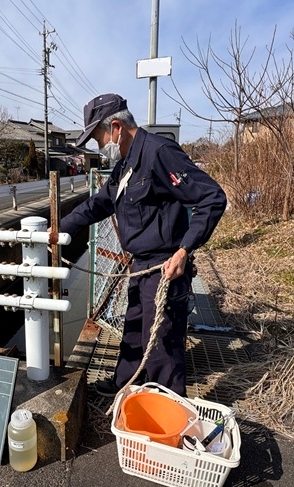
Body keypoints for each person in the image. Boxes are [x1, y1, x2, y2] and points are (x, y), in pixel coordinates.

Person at [54, 94, 227, 397]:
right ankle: (126, 385)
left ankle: (167, 409)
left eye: (97, 139)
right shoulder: (125, 166)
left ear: (116, 127)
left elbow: (211, 197)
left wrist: (184, 250)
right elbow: (100, 204)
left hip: (165, 264)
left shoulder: (159, 153)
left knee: (161, 343)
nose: (99, 147)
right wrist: (59, 230)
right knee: (134, 330)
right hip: (140, 264)